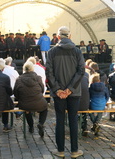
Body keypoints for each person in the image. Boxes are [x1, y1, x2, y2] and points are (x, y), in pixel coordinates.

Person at [46, 26, 85, 158]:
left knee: (60, 120)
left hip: (59, 93)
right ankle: (74, 150)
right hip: (73, 93)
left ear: (57, 37)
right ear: (69, 36)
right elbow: (81, 72)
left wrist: (58, 89)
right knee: (73, 120)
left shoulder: (51, 52)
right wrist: (70, 89)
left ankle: (60, 150)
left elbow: (48, 73)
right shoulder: (77, 51)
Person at [13, 61, 48, 136]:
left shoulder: (19, 79)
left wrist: (21, 98)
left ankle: (31, 126)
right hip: (39, 102)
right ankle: (41, 123)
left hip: (25, 103)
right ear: (32, 69)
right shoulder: (38, 78)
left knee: (27, 110)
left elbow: (15, 93)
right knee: (44, 108)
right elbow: (42, 89)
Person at [78, 71, 90, 137]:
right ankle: (84, 127)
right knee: (84, 113)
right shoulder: (86, 75)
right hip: (85, 103)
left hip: (75, 103)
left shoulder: (71, 75)